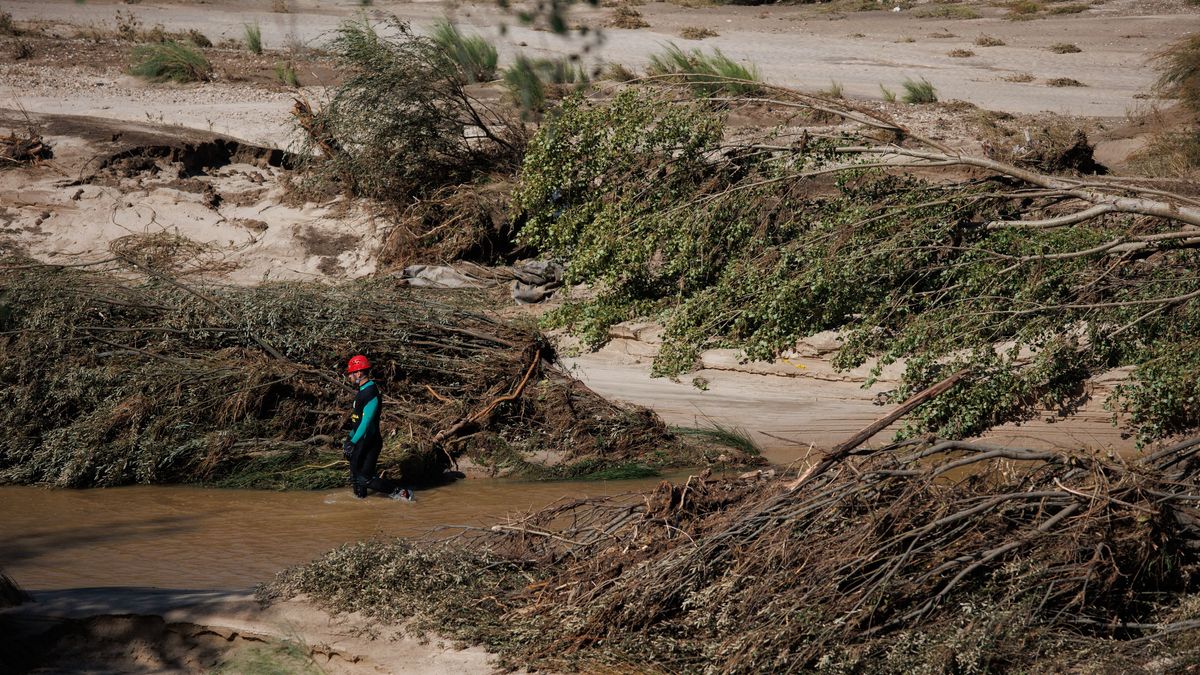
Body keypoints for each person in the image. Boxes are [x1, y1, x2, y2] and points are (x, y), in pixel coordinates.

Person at [343, 354, 411, 500]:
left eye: (351, 373)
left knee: (364, 479)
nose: (349, 376)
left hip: (370, 443)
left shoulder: (371, 393)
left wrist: (353, 442)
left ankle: (403, 493)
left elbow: (366, 422)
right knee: (355, 477)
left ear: (359, 373)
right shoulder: (362, 391)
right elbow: (357, 420)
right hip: (359, 440)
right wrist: (349, 439)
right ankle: (361, 510)